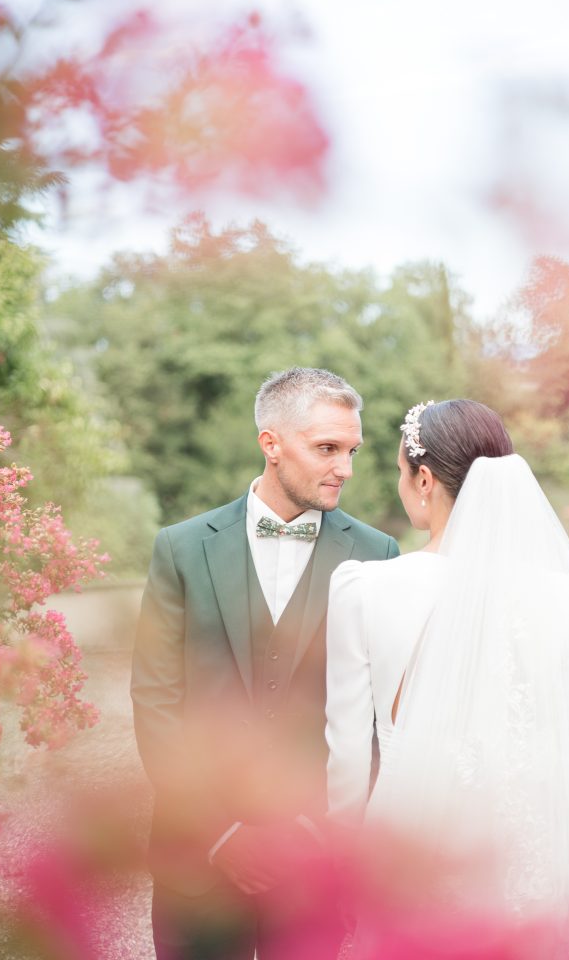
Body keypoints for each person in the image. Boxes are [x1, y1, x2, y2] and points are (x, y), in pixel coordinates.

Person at [326, 399, 569, 959]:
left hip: (408, 849)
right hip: (532, 857)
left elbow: (347, 758)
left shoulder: (362, 588)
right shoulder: (565, 594)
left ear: (424, 478)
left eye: (400, 471)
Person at [131, 367, 399, 960]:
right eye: (327, 448)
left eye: (352, 450)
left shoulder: (378, 555)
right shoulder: (180, 547)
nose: (345, 468)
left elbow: (378, 718)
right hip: (197, 860)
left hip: (312, 867)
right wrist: (218, 832)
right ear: (271, 444)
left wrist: (314, 830)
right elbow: (155, 700)